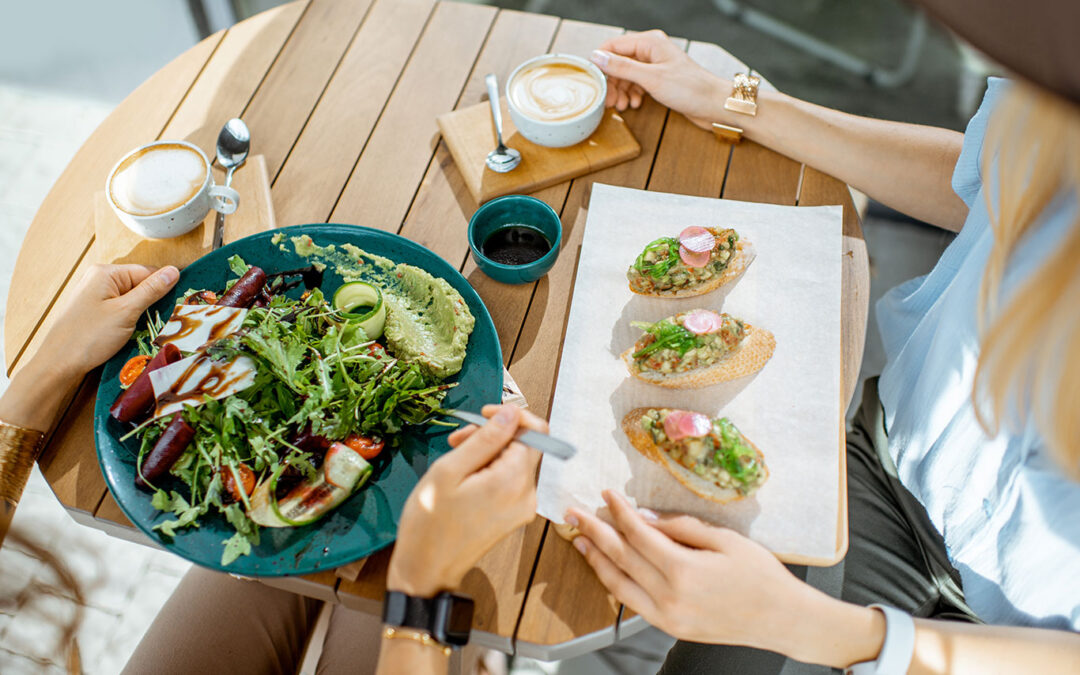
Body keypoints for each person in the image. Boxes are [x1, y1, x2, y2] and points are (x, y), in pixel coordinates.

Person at [562, 1, 1080, 672]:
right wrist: (731, 100)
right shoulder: (1060, 83)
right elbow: (985, 182)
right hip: (882, 465)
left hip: (1017, 635)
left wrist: (808, 625)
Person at [0, 263, 544, 674]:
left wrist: (50, 367)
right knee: (382, 577)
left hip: (291, 469)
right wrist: (421, 591)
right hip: (412, 619)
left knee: (296, 566)